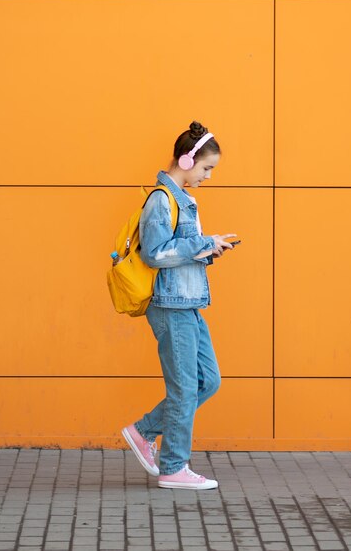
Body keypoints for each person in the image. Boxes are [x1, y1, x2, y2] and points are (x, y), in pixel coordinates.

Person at [122, 121, 236, 490]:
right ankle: (173, 467)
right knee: (185, 386)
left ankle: (144, 432)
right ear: (187, 159)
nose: (208, 176)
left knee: (208, 380)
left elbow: (178, 252)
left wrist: (209, 248)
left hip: (187, 303)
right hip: (170, 305)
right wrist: (199, 243)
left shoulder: (183, 199)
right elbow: (155, 254)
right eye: (207, 168)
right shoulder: (161, 199)